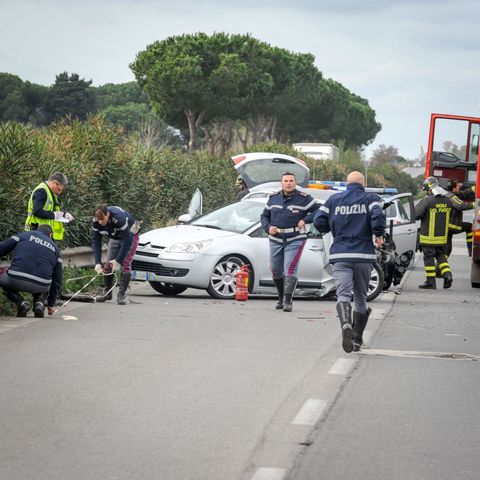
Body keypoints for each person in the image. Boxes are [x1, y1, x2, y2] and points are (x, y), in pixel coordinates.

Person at [313, 171, 386, 353]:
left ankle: (345, 323)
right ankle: (357, 340)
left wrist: (332, 229)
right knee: (361, 297)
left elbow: (317, 220)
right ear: (363, 183)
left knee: (343, 295)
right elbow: (378, 216)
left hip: (341, 255)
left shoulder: (333, 201)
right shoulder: (371, 199)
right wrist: (378, 234)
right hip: (363, 256)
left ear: (347, 183)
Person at [260, 172, 319, 312]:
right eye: (285, 181)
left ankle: (288, 300)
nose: (288, 183)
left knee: (290, 269)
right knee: (275, 270)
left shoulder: (304, 198)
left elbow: (319, 210)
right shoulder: (273, 198)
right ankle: (281, 297)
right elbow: (264, 216)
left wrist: (305, 220)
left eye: (291, 180)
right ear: (281, 183)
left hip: (295, 239)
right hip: (276, 238)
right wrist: (268, 227)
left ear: (295, 182)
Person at [0, 225, 62, 317]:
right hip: (41, 285)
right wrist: (51, 304)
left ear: (37, 230)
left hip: (16, 278)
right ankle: (39, 303)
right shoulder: (56, 249)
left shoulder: (23, 235)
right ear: (50, 235)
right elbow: (57, 279)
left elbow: (2, 246)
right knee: (45, 278)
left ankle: (20, 303)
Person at [91, 205, 140, 305]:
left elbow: (128, 240)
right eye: (98, 220)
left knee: (125, 264)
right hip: (115, 237)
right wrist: (97, 262)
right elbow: (96, 242)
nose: (100, 222)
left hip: (130, 236)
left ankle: (122, 295)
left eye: (102, 219)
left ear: (107, 214)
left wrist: (118, 260)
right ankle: (107, 293)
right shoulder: (96, 222)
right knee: (107, 265)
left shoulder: (119, 218)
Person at [415, 176, 453, 290]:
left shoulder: (427, 200)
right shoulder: (447, 200)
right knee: (441, 256)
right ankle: (447, 275)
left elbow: (416, 215)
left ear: (429, 189)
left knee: (429, 258)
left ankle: (431, 282)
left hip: (428, 237)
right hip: (442, 238)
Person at [25, 172, 73, 242]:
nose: (59, 193)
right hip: (36, 231)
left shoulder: (50, 192)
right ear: (54, 183)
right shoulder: (41, 191)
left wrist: (65, 214)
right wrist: (54, 215)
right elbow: (37, 211)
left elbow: (53, 209)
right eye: (59, 189)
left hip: (44, 233)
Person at [445, 179, 475, 257]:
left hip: (446, 227)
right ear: (453, 188)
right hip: (453, 226)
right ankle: (470, 250)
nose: (459, 187)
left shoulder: (450, 194)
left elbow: (464, 193)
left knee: (448, 249)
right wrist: (475, 204)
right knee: (469, 227)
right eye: (458, 186)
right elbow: (461, 206)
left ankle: (439, 266)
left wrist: (475, 188)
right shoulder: (452, 197)